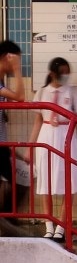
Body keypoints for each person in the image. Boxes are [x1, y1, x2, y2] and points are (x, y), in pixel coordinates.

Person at [30, 57, 77, 241]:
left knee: (68, 183)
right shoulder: (42, 92)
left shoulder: (72, 92)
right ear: (52, 74)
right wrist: (29, 147)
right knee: (45, 182)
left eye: (67, 72)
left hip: (67, 136)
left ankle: (61, 228)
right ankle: (48, 226)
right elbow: (38, 121)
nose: (65, 75)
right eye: (62, 72)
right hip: (47, 135)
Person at [0, 40, 29, 212]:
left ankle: (8, 222)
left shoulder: (2, 82)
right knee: (16, 184)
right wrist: (18, 70)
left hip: (2, 145)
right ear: (6, 57)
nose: (17, 64)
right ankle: (8, 223)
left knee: (17, 183)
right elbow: (20, 96)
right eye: (15, 59)